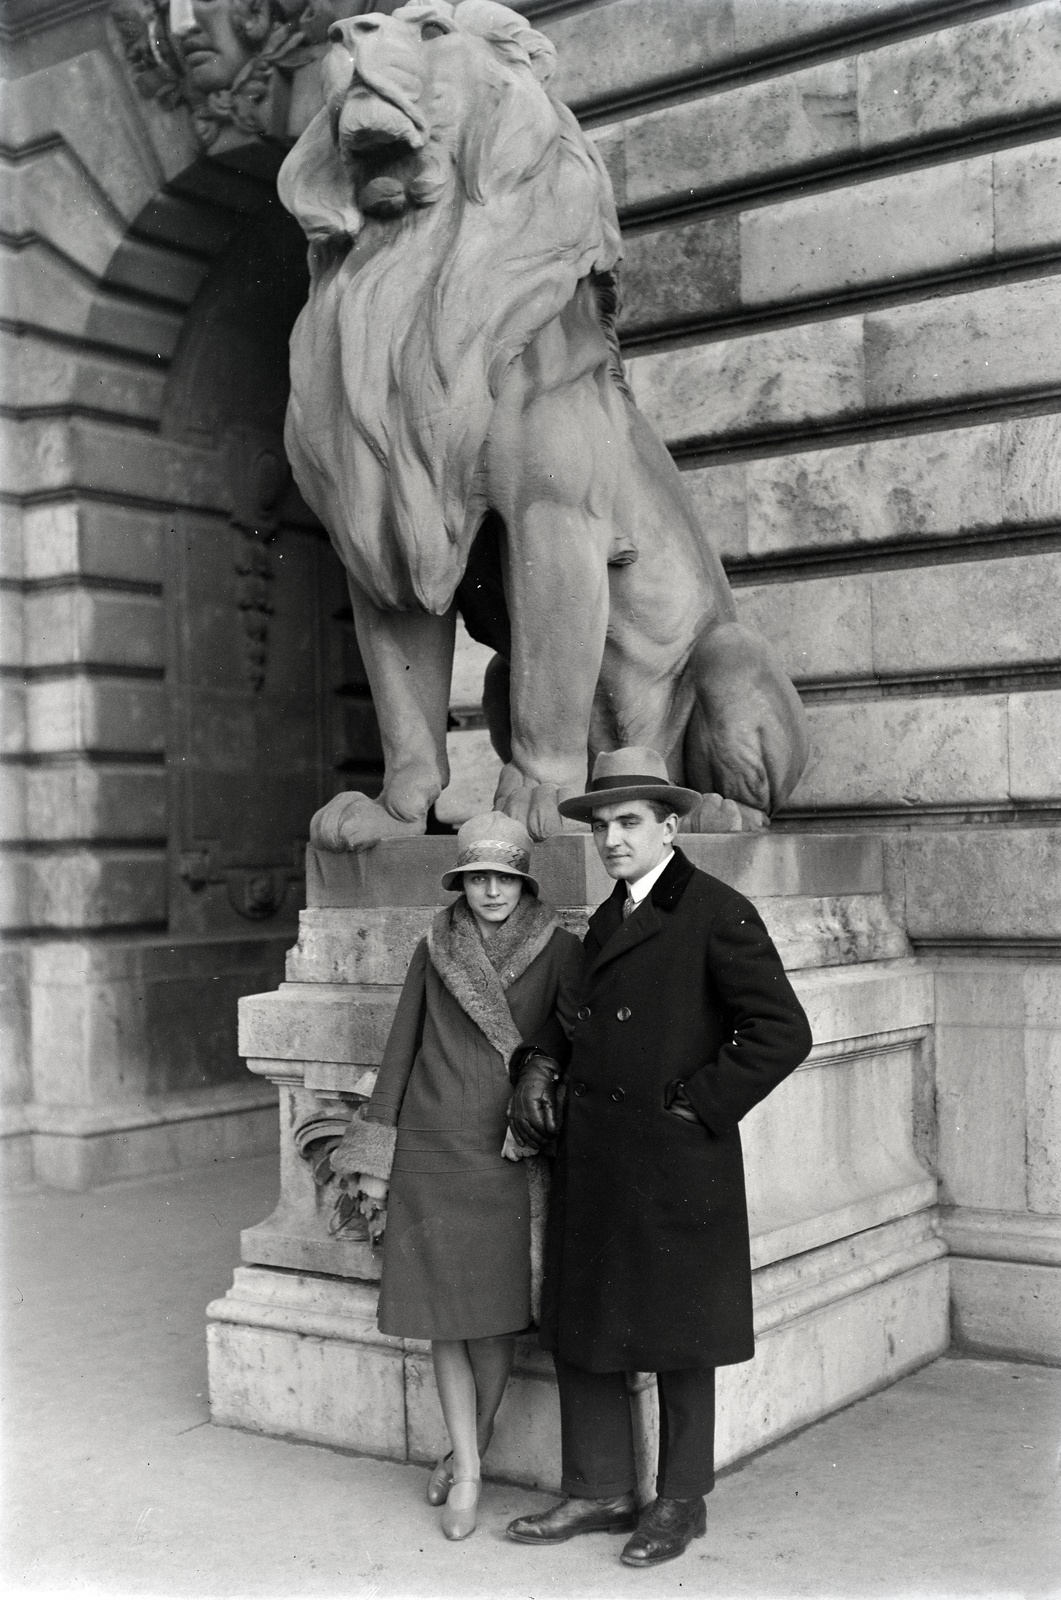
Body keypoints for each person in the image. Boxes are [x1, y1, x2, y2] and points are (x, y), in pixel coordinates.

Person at [504, 746, 813, 1569]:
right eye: (601, 825)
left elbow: (782, 1032)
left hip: (676, 1161)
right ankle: (600, 1488)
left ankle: (680, 1499)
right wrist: (538, 1062)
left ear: (669, 826)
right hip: (598, 1156)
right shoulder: (605, 918)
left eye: (628, 822)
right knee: (588, 1323)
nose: (610, 839)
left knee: (681, 1336)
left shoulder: (715, 909)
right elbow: (571, 1021)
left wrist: (695, 1106)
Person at [340, 812, 582, 1541]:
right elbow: (399, 1052)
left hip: (507, 1154)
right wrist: (375, 1163)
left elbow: (574, 1049)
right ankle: (472, 1471)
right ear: (462, 883)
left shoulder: (563, 950)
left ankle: (464, 1448)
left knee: (499, 1320)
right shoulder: (433, 947)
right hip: (430, 1149)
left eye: (502, 878)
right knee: (444, 1320)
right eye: (477, 877)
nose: (489, 890)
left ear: (522, 883)